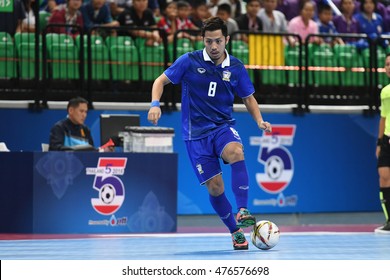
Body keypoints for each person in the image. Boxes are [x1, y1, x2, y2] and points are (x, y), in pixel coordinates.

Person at [147, 17, 272, 250]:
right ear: (203, 41)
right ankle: (235, 232)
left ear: (227, 39)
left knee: (236, 151)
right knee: (215, 188)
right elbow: (160, 81)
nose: (213, 47)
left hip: (222, 127)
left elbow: (248, 98)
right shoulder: (189, 61)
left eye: (217, 41)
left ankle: (243, 210)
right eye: (208, 42)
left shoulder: (236, 67)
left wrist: (259, 120)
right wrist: (155, 103)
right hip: (196, 136)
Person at [49, 97, 115, 151]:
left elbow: (91, 152)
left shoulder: (85, 129)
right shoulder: (59, 128)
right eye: (81, 111)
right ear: (71, 110)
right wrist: (77, 150)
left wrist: (103, 150)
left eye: (86, 112)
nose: (84, 115)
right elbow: (55, 149)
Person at [375, 53, 390, 234]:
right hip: (387, 139)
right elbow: (383, 118)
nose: (388, 67)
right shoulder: (385, 91)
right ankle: (389, 221)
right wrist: (379, 142)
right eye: (386, 64)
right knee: (384, 175)